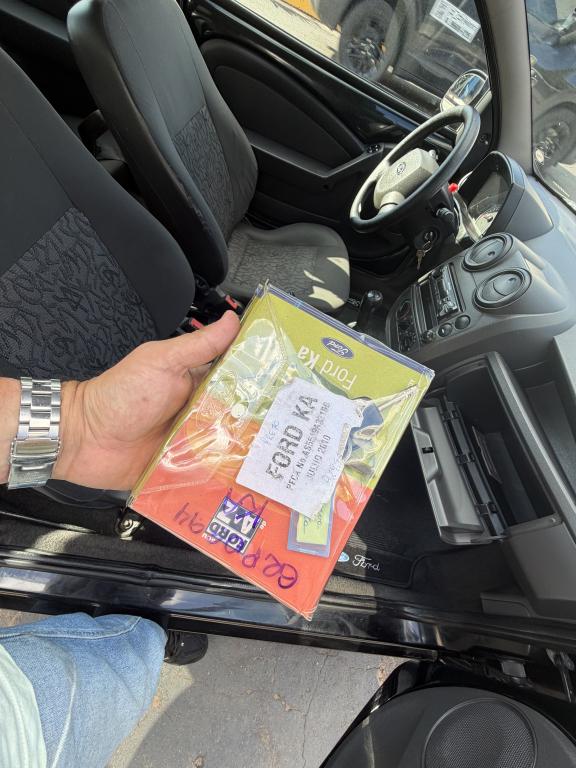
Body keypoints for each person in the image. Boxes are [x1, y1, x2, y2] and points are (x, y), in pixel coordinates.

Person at [0, 311, 240, 768]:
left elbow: (84, 425)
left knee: (116, 662)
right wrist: (77, 424)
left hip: (24, 710)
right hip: (33, 723)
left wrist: (80, 426)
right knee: (126, 652)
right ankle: (143, 632)